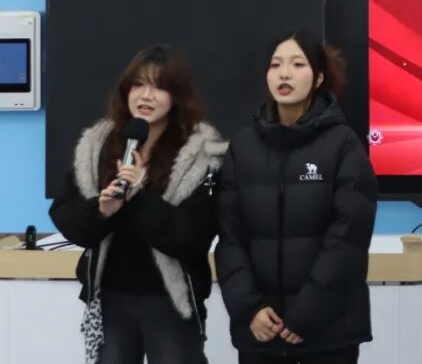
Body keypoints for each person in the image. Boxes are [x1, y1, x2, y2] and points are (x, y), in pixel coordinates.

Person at [49, 44, 227, 364]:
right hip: (110, 299)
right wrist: (101, 212)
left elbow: (192, 237)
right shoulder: (98, 146)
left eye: (159, 87)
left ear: (177, 96)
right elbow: (67, 217)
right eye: (138, 85)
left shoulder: (201, 155)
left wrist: (139, 196)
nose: (146, 96)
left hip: (171, 303)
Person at [215, 30, 378, 364]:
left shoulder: (343, 145)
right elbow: (229, 237)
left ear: (318, 77)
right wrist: (249, 308)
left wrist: (308, 312)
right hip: (260, 332)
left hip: (327, 331)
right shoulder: (243, 147)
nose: (284, 74)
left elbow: (347, 240)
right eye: (276, 65)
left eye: (297, 64)